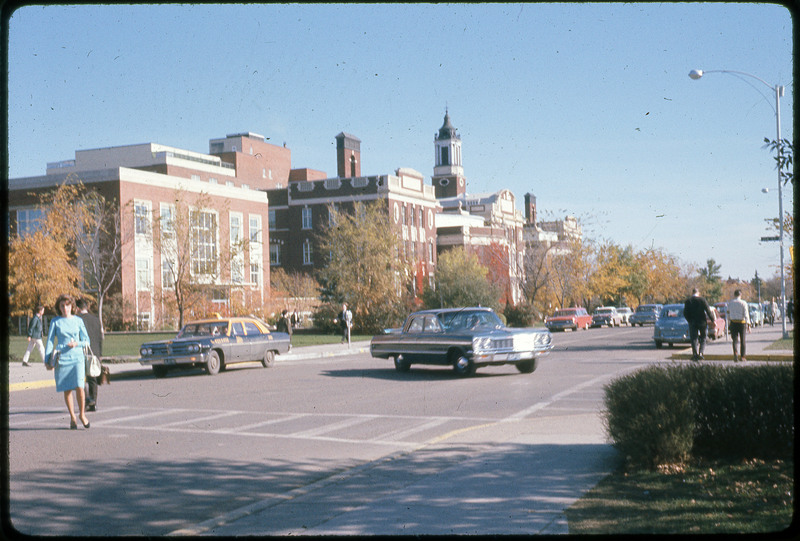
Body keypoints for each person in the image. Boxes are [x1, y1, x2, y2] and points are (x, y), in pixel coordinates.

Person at [45, 294, 91, 429]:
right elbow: (49, 341)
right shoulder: (55, 321)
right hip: (62, 358)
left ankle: (82, 414)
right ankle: (72, 417)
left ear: (72, 306)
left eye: (68, 305)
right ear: (59, 307)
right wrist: (48, 360)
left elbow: (87, 341)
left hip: (77, 357)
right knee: (67, 389)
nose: (65, 308)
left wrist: (77, 343)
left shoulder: (78, 321)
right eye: (62, 306)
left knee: (80, 386)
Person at [76, 298, 103, 412]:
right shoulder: (96, 320)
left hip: (82, 352)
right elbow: (100, 338)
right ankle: (93, 402)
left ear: (77, 308)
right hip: (95, 352)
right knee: (93, 378)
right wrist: (100, 354)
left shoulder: (77, 320)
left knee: (80, 378)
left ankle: (87, 399)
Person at [683, 288, 715, 362]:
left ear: (692, 292)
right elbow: (708, 310)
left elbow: (685, 313)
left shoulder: (688, 301)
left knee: (694, 338)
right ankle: (701, 353)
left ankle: (694, 354)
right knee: (703, 337)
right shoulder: (702, 300)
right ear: (698, 293)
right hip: (702, 322)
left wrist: (689, 320)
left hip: (693, 322)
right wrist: (713, 320)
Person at [727, 289, 751, 362]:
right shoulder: (743, 303)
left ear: (734, 295)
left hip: (733, 322)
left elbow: (728, 313)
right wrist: (748, 325)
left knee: (734, 340)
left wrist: (729, 321)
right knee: (742, 340)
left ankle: (735, 353)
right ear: (740, 295)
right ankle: (743, 356)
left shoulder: (730, 303)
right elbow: (746, 314)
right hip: (742, 323)